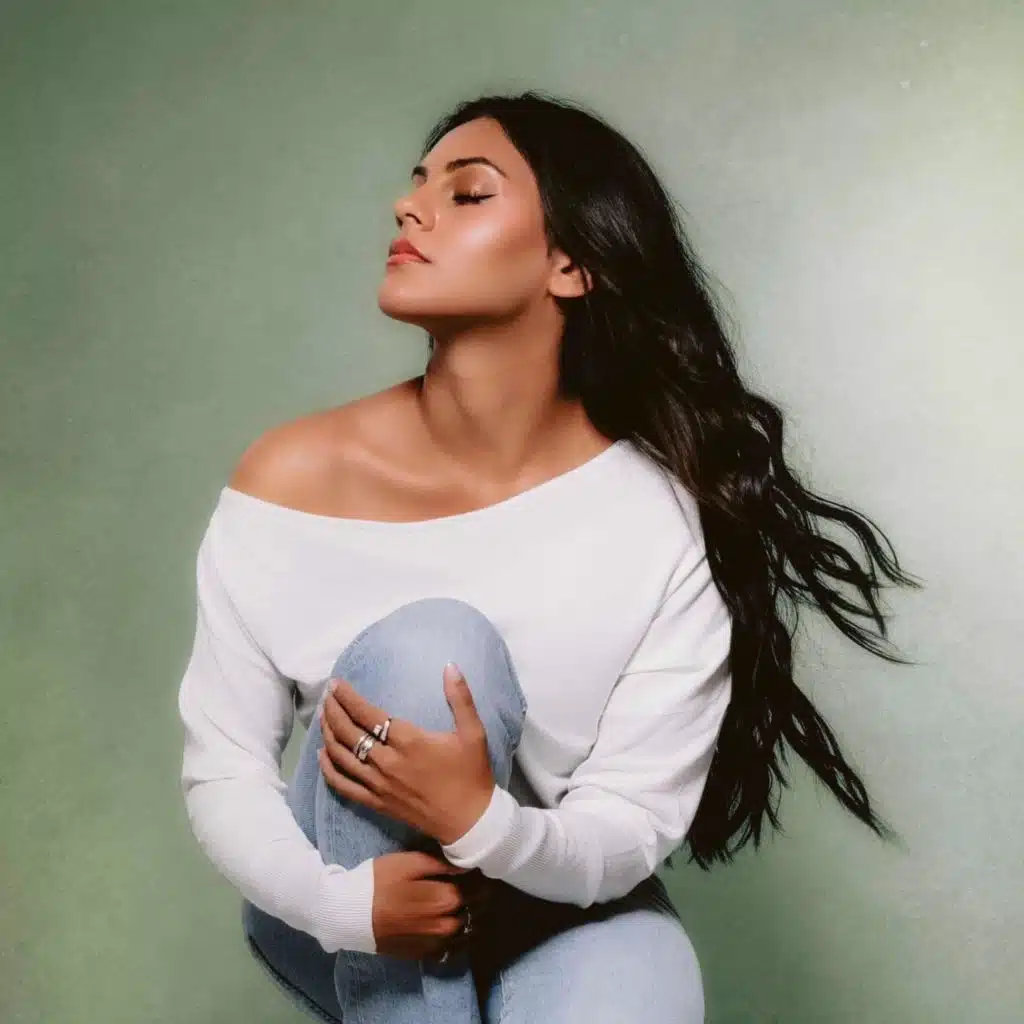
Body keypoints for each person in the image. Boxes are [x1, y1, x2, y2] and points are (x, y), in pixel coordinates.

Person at [176, 90, 919, 1023]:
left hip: (557, 897)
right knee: (431, 650)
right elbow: (224, 766)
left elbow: (627, 823)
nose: (409, 208)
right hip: (340, 899)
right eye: (417, 186)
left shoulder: (661, 516)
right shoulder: (292, 479)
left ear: (571, 264)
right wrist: (341, 907)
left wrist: (478, 820)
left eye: (466, 193)